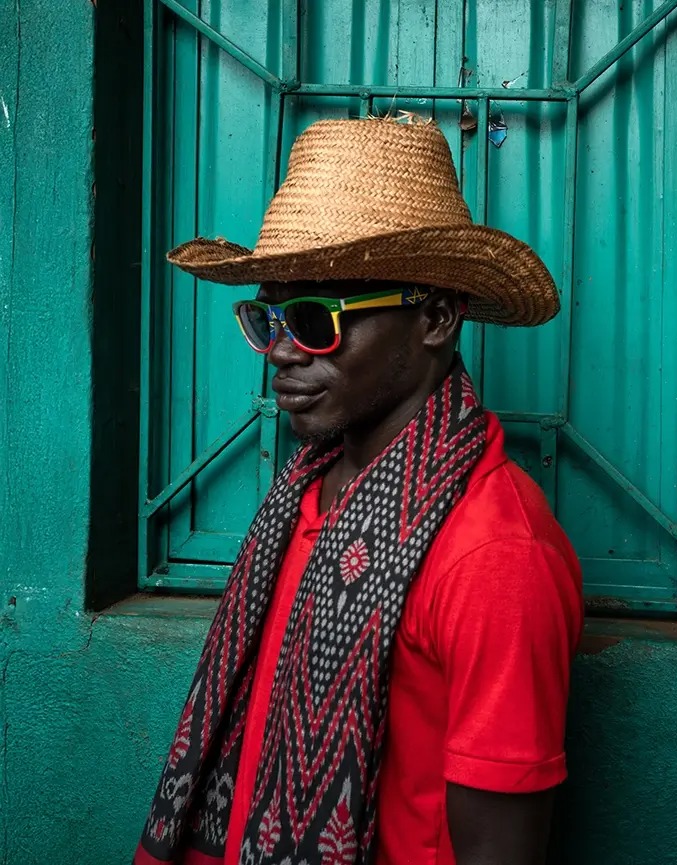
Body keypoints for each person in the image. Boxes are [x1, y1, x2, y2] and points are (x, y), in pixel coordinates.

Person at [135, 117, 584, 865]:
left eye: (316, 320)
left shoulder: (495, 556)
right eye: (267, 317)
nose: (280, 351)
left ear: (436, 317)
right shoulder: (306, 498)